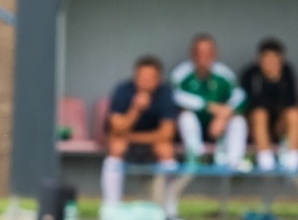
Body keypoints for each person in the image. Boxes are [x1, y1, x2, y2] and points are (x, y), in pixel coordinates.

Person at [101, 55, 181, 207]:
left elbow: (166, 134)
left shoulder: (165, 94)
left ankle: (169, 212)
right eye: (140, 77)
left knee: (166, 151)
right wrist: (135, 109)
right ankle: (111, 208)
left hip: (150, 144)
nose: (144, 81)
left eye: (149, 78)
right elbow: (117, 128)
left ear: (158, 78)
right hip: (127, 144)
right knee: (116, 147)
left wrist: (131, 137)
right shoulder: (123, 90)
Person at [170, 35, 248, 170]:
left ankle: (233, 165)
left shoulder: (223, 72)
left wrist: (224, 115)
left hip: (218, 127)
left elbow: (240, 97)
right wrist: (208, 106)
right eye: (199, 52)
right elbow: (176, 96)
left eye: (208, 52)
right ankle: (196, 159)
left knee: (238, 121)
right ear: (192, 54)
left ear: (214, 54)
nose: (204, 56)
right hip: (192, 127)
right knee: (186, 117)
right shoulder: (181, 73)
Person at [239, 39, 298, 173]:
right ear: (259, 59)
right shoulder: (250, 75)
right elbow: (252, 103)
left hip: (278, 127)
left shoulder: (287, 72)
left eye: (275, 59)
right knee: (260, 114)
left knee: (293, 114)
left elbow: (291, 101)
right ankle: (265, 160)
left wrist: (276, 81)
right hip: (255, 127)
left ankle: (293, 160)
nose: (271, 63)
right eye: (267, 59)